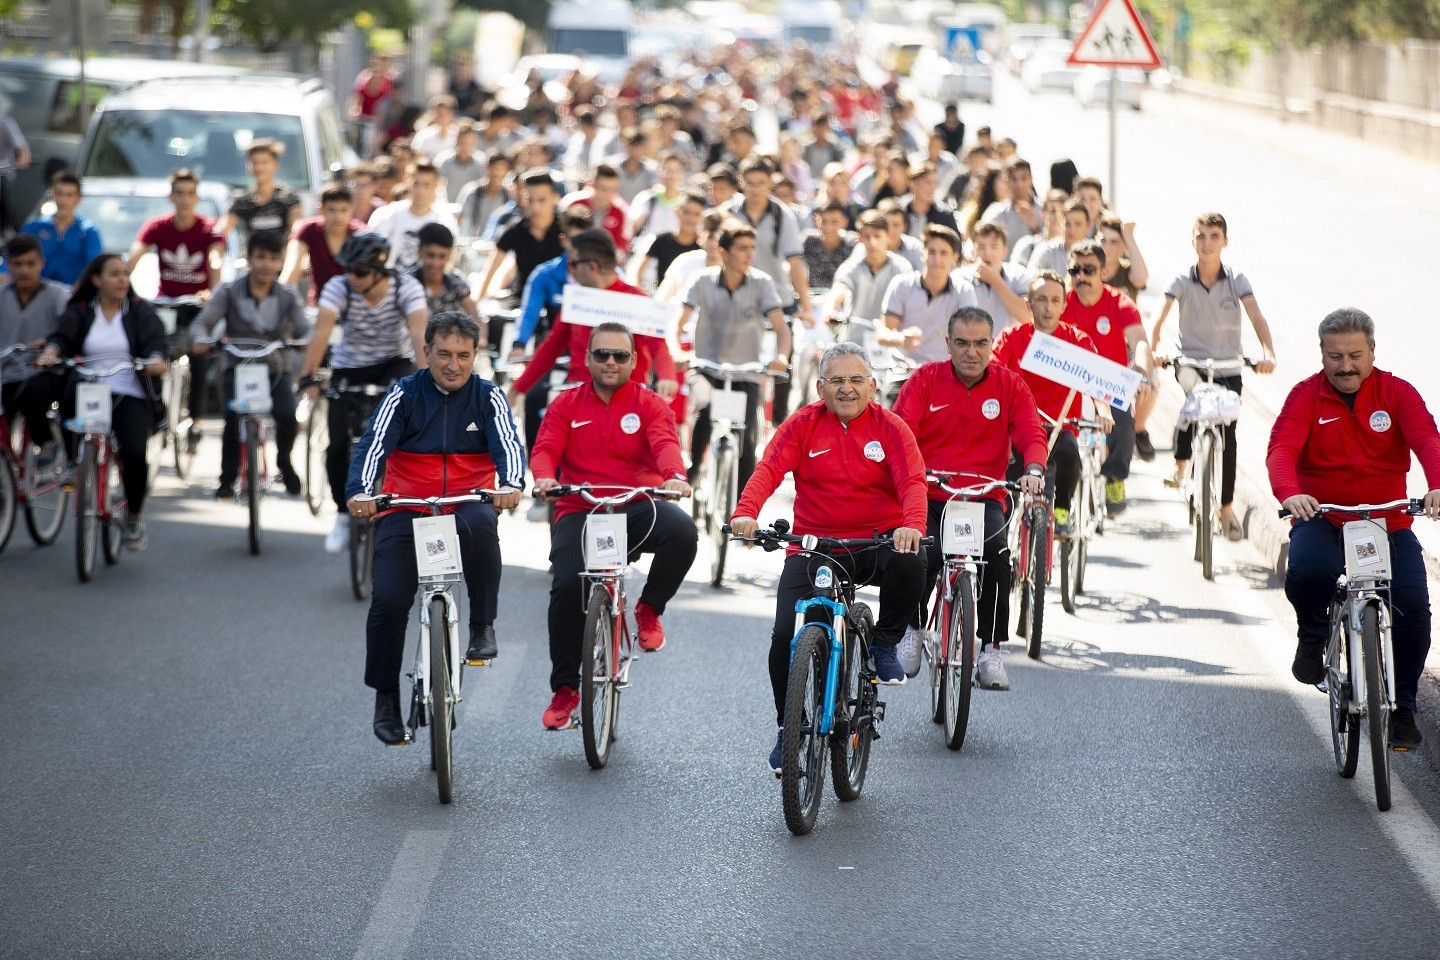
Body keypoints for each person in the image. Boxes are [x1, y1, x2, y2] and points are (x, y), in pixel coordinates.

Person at [728, 341, 928, 773]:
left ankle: (884, 644)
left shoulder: (891, 429)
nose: (846, 388)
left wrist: (911, 525)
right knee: (785, 636)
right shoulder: (803, 424)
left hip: (876, 543)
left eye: (856, 379)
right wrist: (745, 512)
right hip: (815, 545)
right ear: (820, 388)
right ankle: (789, 728)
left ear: (872, 385)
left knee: (913, 562)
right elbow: (768, 469)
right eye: (836, 380)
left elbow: (912, 481)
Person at [346, 312, 525, 744]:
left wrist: (511, 484)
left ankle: (482, 627)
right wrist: (360, 492)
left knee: (483, 526)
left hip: (466, 503)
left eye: (463, 355)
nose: (453, 365)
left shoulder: (489, 397)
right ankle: (386, 698)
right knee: (388, 601)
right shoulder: (403, 394)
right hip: (406, 506)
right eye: (443, 354)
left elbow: (509, 445)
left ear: (475, 355)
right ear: (426, 352)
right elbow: (373, 445)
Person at [1268, 308, 1440, 749]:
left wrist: (1437, 485)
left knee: (1413, 607)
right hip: (1324, 516)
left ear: (1372, 352)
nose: (1345, 366)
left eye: (1355, 356)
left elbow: (1427, 439)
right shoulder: (1305, 396)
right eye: (1335, 356)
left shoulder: (1397, 392)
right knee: (1307, 572)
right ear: (1322, 354)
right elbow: (1282, 448)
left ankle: (1403, 709)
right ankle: (1313, 636)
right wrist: (1290, 493)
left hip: (1388, 519)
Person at [530, 322, 698, 729]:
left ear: (634, 361)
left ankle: (649, 608)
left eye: (620, 355)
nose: (610, 362)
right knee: (565, 587)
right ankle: (565, 690)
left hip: (635, 504)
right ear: (587, 359)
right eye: (601, 354)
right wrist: (544, 478)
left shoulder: (649, 403)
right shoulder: (566, 404)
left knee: (683, 532)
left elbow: (665, 444)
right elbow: (546, 448)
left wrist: (675, 476)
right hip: (580, 508)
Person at [892, 306, 1047, 688]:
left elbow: (1031, 431)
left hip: (982, 496)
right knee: (920, 555)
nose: (971, 352)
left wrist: (1033, 469)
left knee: (997, 557)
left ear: (992, 344)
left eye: (980, 343)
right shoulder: (925, 379)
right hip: (929, 493)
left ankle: (990, 650)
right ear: (948, 343)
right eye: (962, 343)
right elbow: (900, 431)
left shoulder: (1010, 385)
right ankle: (913, 628)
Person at [296, 232, 428, 553]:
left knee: (401, 435)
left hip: (393, 363)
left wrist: (426, 381)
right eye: (348, 269)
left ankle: (398, 504)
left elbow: (418, 333)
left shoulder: (406, 287)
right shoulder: (339, 287)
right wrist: (307, 376)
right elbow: (322, 331)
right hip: (350, 365)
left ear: (379, 272)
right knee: (338, 443)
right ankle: (343, 514)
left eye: (360, 272)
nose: (351, 277)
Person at [1151, 213, 1279, 537]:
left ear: (1225, 241)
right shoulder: (1181, 280)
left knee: (1229, 432)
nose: (1207, 243)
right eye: (1201, 236)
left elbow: (1256, 316)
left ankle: (1225, 509)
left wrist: (1268, 354)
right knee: (1194, 400)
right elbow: (1158, 318)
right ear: (1192, 240)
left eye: (1214, 236)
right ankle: (1181, 464)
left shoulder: (1237, 281)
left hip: (1228, 367)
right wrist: (1154, 350)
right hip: (1190, 362)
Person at [509, 229, 678, 474]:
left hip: (627, 397)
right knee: (546, 427)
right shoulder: (577, 300)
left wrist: (667, 377)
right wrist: (517, 389)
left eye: (573, 264)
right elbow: (552, 346)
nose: (571, 271)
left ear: (592, 267)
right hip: (580, 394)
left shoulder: (637, 299)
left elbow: (658, 344)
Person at [37, 254, 168, 551]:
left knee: (134, 453)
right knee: (67, 400)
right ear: (96, 280)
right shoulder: (81, 310)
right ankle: (72, 462)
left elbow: (156, 340)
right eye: (114, 274)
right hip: (89, 388)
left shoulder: (138, 310)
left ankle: (134, 517)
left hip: (128, 391)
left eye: (125, 274)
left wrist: (156, 358)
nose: (122, 280)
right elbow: (61, 336)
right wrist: (51, 351)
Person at [189, 231, 310, 499]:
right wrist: (201, 340)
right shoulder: (229, 291)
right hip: (237, 366)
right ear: (248, 258)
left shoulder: (288, 295)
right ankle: (227, 479)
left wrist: (304, 341)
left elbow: (305, 329)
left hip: (275, 368)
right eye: (260, 257)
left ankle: (284, 462)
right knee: (233, 419)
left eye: (273, 258)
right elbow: (202, 323)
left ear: (281, 261)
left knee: (287, 415)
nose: (267, 264)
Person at [992, 271, 1112, 538]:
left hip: (1060, 428)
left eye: (1055, 300)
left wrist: (1103, 411)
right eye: (1041, 299)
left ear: (1064, 305)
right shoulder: (1011, 338)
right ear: (1029, 304)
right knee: (1005, 481)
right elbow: (993, 376)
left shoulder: (1077, 341)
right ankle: (1003, 531)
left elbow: (1097, 381)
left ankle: (1062, 511)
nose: (1048, 307)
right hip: (1018, 429)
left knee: (1070, 453)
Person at [677, 220, 792, 488]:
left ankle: (742, 503)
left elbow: (781, 329)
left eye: (752, 247)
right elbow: (677, 323)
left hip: (746, 372)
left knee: (747, 438)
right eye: (742, 248)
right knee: (707, 409)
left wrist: (782, 357)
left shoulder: (762, 283)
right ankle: (694, 468)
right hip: (706, 367)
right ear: (723, 252)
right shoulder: (702, 280)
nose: (750, 254)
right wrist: (675, 350)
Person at [1058, 239, 1155, 517]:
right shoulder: (1060, 303)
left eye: (1089, 270)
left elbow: (1140, 342)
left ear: (1103, 272)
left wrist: (1142, 372)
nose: (1081, 276)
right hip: (1069, 382)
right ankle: (1060, 507)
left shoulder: (1119, 302)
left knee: (1123, 422)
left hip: (1109, 382)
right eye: (1075, 270)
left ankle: (1114, 478)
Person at [127, 168, 225, 423]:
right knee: (152, 352)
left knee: (199, 351)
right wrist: (123, 281)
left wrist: (212, 290)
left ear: (197, 197)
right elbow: (135, 256)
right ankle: (156, 413)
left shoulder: (209, 228)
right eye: (179, 193)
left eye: (190, 193)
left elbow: (215, 258)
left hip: (197, 304)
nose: (185, 199)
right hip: (166, 304)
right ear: (170, 196)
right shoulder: (157, 226)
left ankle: (196, 419)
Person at [0, 235, 70, 451]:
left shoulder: (57, 294)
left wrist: (50, 344)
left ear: (42, 263)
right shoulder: (2, 295)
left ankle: (46, 445)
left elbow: (70, 329)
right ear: (8, 264)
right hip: (5, 371)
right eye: (18, 264)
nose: (24, 270)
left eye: (31, 264)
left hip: (43, 371)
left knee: (32, 392)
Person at [880, 225, 978, 368]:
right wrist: (901, 339)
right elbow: (882, 333)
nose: (937, 259)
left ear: (954, 258)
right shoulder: (901, 284)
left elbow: (971, 334)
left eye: (944, 253)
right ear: (922, 254)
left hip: (945, 371)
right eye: (932, 252)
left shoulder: (964, 290)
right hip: (903, 370)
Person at [365, 160, 459, 273]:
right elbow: (371, 254)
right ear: (407, 182)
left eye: (427, 185)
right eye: (416, 184)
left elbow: (448, 262)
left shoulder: (445, 220)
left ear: (437, 185)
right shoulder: (385, 214)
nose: (420, 191)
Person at [282, 183, 366, 307]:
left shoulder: (362, 234)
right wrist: (281, 301)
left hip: (356, 307)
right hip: (320, 305)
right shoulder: (308, 230)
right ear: (320, 209)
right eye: (332, 210)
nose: (338, 217)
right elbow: (291, 270)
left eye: (343, 210)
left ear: (352, 208)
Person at [826, 211, 911, 330]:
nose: (872, 243)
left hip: (889, 337)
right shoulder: (852, 266)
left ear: (888, 236)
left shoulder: (902, 267)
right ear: (860, 238)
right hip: (854, 337)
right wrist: (830, 311)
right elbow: (838, 290)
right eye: (867, 237)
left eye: (877, 236)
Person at [21, 171, 102, 287]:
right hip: (36, 292)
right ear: (52, 194)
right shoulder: (34, 227)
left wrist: (77, 290)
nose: (63, 200)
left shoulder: (89, 232)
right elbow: (13, 258)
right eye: (59, 193)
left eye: (69, 195)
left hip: (74, 293)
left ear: (79, 198)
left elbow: (94, 269)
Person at [216, 140, 302, 241]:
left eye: (265, 162)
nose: (259, 168)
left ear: (276, 165)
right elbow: (221, 230)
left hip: (283, 250)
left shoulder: (288, 197)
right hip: (252, 251)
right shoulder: (242, 200)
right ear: (248, 166)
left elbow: (298, 229)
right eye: (255, 163)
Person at [961, 221, 1030, 333]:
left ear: (1004, 251)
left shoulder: (1019, 274)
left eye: (994, 246)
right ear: (973, 251)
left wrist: (995, 280)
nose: (987, 253)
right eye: (981, 247)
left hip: (1008, 343)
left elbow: (1027, 316)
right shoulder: (960, 278)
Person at [627, 191, 703, 292]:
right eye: (686, 212)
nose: (691, 218)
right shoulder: (660, 240)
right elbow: (636, 268)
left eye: (696, 214)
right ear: (677, 211)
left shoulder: (703, 247)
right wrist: (635, 288)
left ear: (702, 218)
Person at [409, 223, 480, 323]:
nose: (435, 263)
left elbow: (476, 318)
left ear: (450, 254)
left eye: (442, 256)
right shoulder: (406, 284)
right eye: (430, 255)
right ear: (419, 252)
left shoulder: (455, 282)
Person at [561, 164, 631, 257]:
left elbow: (622, 245)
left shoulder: (622, 210)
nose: (609, 194)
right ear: (592, 184)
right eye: (604, 189)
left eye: (613, 189)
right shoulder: (572, 203)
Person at [980, 158, 1040, 258]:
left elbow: (1054, 246)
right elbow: (981, 240)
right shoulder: (996, 213)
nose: (1019, 184)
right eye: (1014, 179)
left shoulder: (1045, 210)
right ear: (1007, 181)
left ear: (1031, 180)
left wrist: (1035, 228)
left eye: (1024, 178)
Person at [1025, 198, 1091, 277]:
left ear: (1088, 226)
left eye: (1078, 224)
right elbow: (1031, 279)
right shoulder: (1046, 250)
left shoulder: (1095, 255)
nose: (1072, 231)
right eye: (1067, 224)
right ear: (1060, 223)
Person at [800, 200, 856, 291]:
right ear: (816, 220)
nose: (828, 228)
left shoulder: (852, 243)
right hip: (811, 295)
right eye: (824, 222)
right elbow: (794, 263)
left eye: (834, 222)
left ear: (845, 222)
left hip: (843, 295)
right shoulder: (808, 240)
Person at [456, 153, 513, 238]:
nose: (498, 173)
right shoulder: (473, 192)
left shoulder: (509, 195)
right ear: (487, 168)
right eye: (495, 168)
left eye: (502, 168)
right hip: (474, 241)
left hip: (498, 243)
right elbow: (460, 220)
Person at [901, 162, 959, 238]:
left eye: (935, 183)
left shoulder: (945, 215)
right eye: (928, 182)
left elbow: (955, 242)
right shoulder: (900, 211)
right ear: (912, 184)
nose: (933, 188)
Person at [434, 122, 484, 204]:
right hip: (448, 206)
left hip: (471, 207)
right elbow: (437, 185)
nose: (467, 146)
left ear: (475, 141)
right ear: (457, 140)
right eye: (463, 142)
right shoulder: (443, 160)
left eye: (470, 142)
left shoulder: (482, 161)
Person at [0, 110, 29, 235]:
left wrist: (22, 159)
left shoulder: (5, 123)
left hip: (3, 174)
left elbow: (22, 148)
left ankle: (6, 229)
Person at [409, 95, 461, 161]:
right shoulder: (423, 135)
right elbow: (416, 156)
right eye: (438, 113)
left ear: (452, 114)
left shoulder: (459, 134)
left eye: (444, 113)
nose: (441, 117)